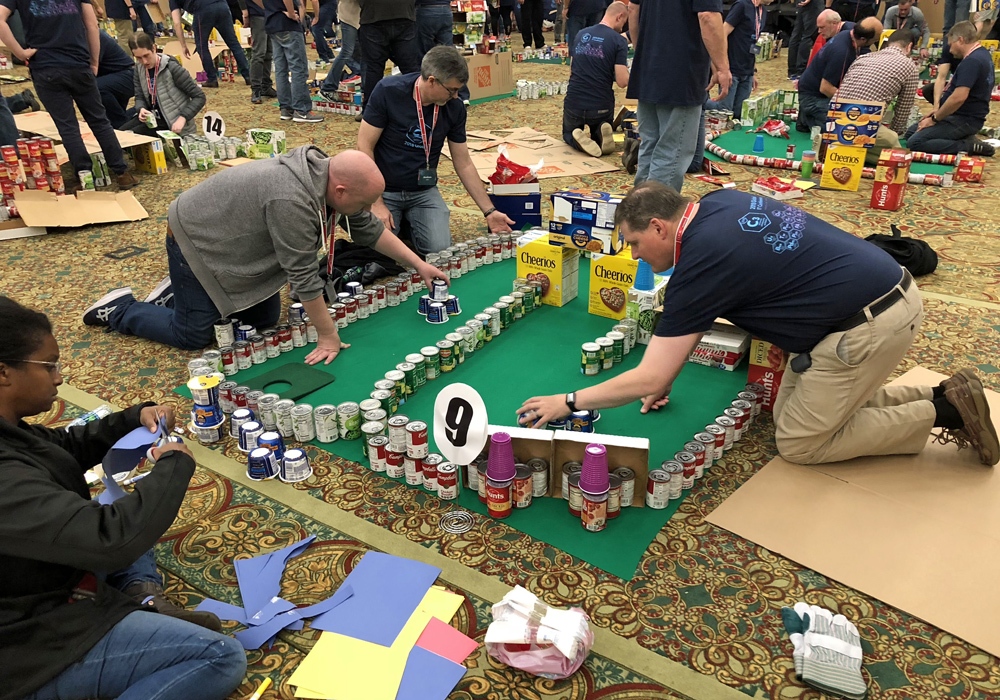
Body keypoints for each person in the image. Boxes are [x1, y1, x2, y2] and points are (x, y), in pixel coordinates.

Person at [517, 183, 1000, 468]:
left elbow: (652, 375)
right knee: (795, 408)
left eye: (636, 243)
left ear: (660, 228)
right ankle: (940, 395)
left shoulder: (699, 264)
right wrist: (663, 373)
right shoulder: (720, 201)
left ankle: (947, 415)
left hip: (866, 327)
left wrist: (568, 401)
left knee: (800, 442)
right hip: (887, 292)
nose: (635, 255)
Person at [0, 296, 248, 700]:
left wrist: (133, 418)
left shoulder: (9, 430)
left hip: (30, 581)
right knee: (219, 658)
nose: (59, 377)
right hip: (26, 643)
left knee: (112, 508)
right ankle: (128, 604)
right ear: (4, 372)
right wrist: (173, 466)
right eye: (50, 366)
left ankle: (142, 596)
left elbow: (58, 448)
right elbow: (111, 541)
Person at [84, 148, 449, 359]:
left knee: (263, 320)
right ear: (339, 191)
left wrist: (418, 264)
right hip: (195, 241)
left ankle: (177, 293)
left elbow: (369, 230)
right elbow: (304, 277)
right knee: (191, 336)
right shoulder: (291, 200)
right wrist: (327, 336)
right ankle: (121, 309)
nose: (370, 208)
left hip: (232, 238)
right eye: (366, 201)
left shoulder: (323, 176)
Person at [357, 46, 515, 257]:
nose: (456, 95)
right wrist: (375, 202)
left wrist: (489, 211)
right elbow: (363, 146)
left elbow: (464, 162)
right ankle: (403, 225)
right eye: (451, 90)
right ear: (431, 80)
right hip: (384, 189)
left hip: (423, 190)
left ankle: (408, 225)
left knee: (441, 251)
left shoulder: (454, 107)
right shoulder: (388, 91)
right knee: (379, 252)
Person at [0, 0, 140, 190]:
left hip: (45, 67)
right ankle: (122, 173)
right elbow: (91, 25)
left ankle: (84, 177)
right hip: (78, 63)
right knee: (99, 121)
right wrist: (94, 61)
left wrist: (20, 52)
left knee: (68, 127)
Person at [627, 0, 731, 193]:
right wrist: (723, 67)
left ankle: (638, 209)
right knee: (672, 151)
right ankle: (653, 213)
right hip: (681, 73)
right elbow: (708, 16)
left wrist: (645, 51)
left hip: (648, 68)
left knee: (650, 145)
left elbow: (633, 9)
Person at [906, 21, 996, 156]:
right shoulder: (981, 54)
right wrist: (937, 112)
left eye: (951, 44)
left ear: (960, 40)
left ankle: (968, 145)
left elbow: (958, 98)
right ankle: (961, 138)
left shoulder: (972, 62)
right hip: (957, 115)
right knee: (911, 133)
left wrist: (935, 119)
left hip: (964, 119)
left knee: (915, 142)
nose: (950, 48)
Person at [837, 29, 918, 162]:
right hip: (863, 125)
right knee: (895, 150)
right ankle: (855, 150)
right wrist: (894, 132)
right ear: (909, 47)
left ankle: (838, 146)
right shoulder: (909, 66)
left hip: (835, 120)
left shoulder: (864, 57)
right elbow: (903, 109)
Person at [562, 2, 629, 157]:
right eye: (624, 23)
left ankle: (575, 137)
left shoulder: (580, 34)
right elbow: (622, 81)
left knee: (567, 133)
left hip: (574, 102)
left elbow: (573, 69)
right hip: (600, 106)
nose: (622, 28)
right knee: (599, 121)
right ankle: (600, 132)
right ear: (619, 17)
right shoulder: (618, 41)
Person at [796, 17, 880, 131]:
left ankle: (807, 118)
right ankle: (810, 116)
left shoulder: (848, 33)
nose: (874, 43)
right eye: (874, 41)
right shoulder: (841, 53)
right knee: (847, 129)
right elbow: (825, 88)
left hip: (810, 89)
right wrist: (852, 104)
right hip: (814, 97)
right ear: (864, 39)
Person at [706, 0, 776, 120]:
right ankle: (699, 103)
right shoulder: (741, 6)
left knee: (739, 113)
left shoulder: (762, 11)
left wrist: (753, 71)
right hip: (732, 67)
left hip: (747, 70)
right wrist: (720, 66)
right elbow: (723, 33)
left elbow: (755, 42)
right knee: (724, 111)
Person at [126, 32, 206, 136]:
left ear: (154, 48)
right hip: (153, 118)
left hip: (172, 123)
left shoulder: (172, 68)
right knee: (120, 133)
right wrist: (141, 108)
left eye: (146, 56)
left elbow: (199, 97)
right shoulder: (138, 68)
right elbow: (139, 95)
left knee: (132, 137)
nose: (144, 61)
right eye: (139, 58)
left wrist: (183, 118)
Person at [258, 0, 324, 122]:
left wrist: (271, 9)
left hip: (272, 22)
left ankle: (286, 108)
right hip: (288, 23)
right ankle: (301, 109)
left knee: (281, 69)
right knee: (298, 68)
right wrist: (291, 13)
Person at [358, 0, 423, 118]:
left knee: (374, 69)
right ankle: (421, 106)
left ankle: (369, 112)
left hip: (373, 17)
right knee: (410, 68)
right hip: (404, 15)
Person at [170, 0, 251, 89]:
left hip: (203, 10)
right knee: (233, 43)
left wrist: (183, 45)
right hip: (222, 5)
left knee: (202, 46)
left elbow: (177, 23)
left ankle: (212, 79)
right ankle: (248, 76)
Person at [319, 0, 362, 102]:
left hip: (360, 17)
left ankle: (365, 85)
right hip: (349, 17)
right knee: (346, 52)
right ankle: (327, 88)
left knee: (360, 51)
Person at [95, 29, 137, 129]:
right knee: (114, 121)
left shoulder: (94, 37)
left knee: (96, 87)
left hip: (125, 76)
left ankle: (126, 122)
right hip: (114, 77)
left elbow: (90, 68)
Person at [247, 0, 277, 104]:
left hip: (270, 15)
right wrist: (269, 7)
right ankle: (256, 89)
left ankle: (266, 86)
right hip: (258, 14)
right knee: (259, 53)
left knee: (269, 52)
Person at [788, 0, 823, 80]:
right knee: (807, 36)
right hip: (812, 4)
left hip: (803, 3)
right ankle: (801, 71)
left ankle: (793, 71)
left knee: (797, 35)